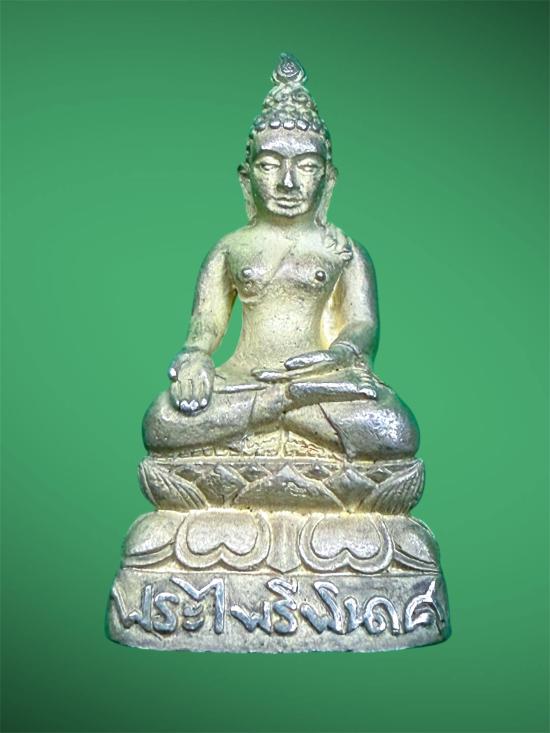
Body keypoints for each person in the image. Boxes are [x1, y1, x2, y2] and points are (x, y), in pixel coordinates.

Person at [144, 54, 419, 461]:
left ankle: (270, 412)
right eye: (270, 165)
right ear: (246, 178)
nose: (287, 183)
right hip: (244, 379)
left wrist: (340, 354)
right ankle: (280, 407)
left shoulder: (345, 251)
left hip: (319, 383)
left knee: (394, 429)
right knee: (161, 419)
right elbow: (206, 325)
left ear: (328, 179)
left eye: (306, 167)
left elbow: (362, 324)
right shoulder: (229, 248)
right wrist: (195, 360)